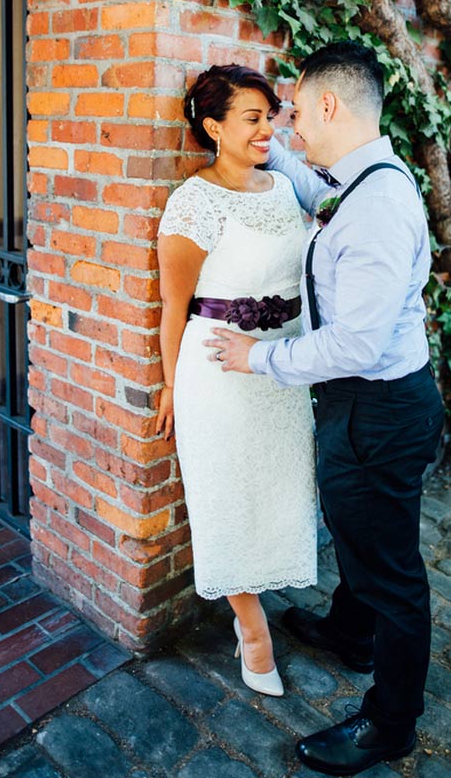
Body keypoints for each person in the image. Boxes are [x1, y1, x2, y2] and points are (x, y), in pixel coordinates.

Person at [206, 41, 444, 774]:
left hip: (375, 404)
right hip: (371, 404)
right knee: (360, 535)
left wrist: (261, 359)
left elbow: (357, 346)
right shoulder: (363, 179)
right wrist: (273, 162)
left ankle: (391, 721)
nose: (289, 121)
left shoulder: (378, 205)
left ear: (331, 105)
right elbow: (323, 202)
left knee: (390, 568)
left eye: (297, 109)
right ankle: (351, 630)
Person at [155, 64, 318, 698]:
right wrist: (172, 387)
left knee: (278, 485)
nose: (267, 131)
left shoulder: (283, 188)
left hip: (281, 366)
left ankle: (270, 588)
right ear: (213, 126)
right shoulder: (193, 202)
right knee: (226, 496)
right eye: (252, 120)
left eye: (270, 117)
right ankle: (253, 634)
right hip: (217, 372)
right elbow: (175, 308)